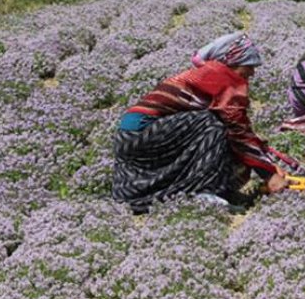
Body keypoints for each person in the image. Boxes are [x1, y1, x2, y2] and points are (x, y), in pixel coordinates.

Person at [112, 32, 288, 212]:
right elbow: (239, 131)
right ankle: (203, 192)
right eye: (249, 66)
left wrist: (267, 164)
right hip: (143, 133)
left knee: (221, 130)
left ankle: (204, 192)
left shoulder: (207, 73)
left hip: (130, 136)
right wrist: (269, 174)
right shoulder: (222, 77)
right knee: (213, 124)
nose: (252, 72)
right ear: (233, 62)